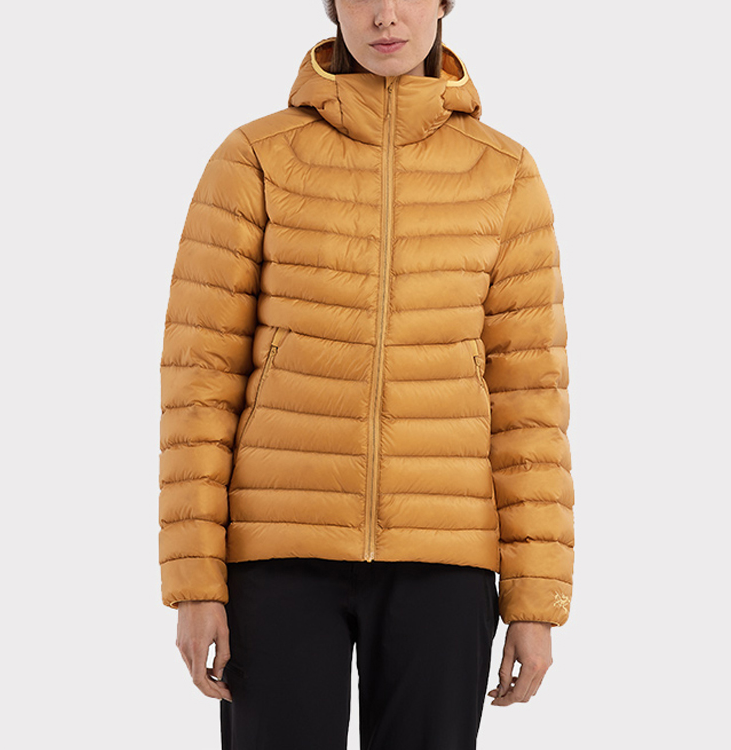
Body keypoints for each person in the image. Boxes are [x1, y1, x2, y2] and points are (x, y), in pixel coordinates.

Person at [158, 1, 575, 747]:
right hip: (278, 555)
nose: (385, 15)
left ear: (444, 3)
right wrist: (195, 584)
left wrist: (535, 599)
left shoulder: (504, 172)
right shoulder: (256, 158)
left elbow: (530, 402)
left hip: (444, 559)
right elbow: (199, 383)